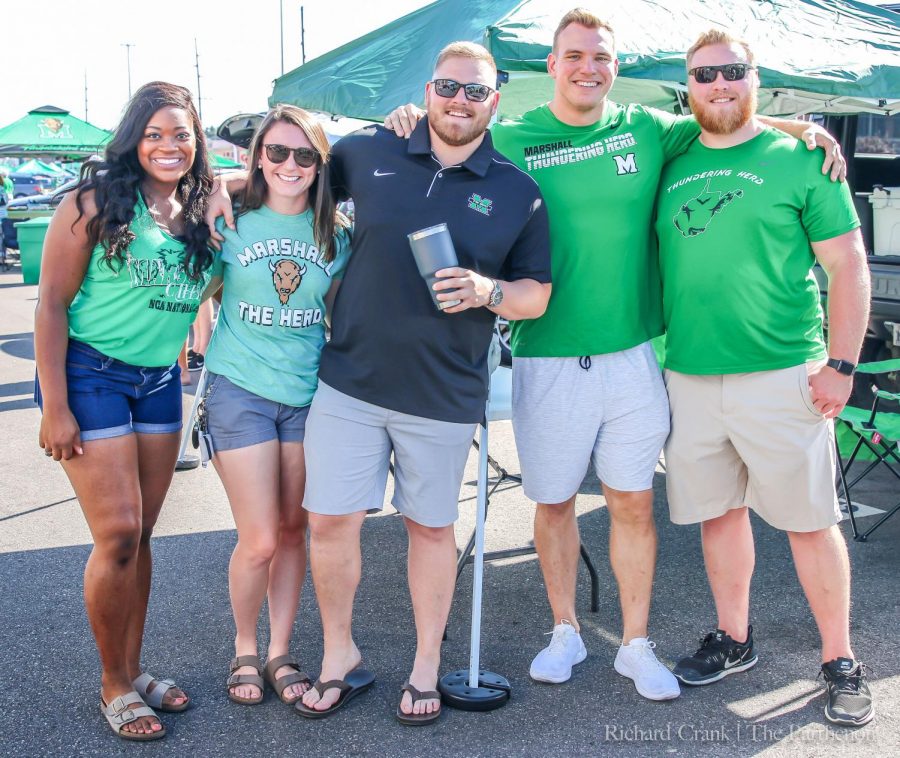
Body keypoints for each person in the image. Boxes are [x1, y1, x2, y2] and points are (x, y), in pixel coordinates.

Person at [385, 8, 846, 701]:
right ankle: (565, 630)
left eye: (600, 57)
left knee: (633, 502)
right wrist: (404, 120)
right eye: (574, 56)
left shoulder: (646, 128)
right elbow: (448, 133)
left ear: (615, 67)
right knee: (554, 501)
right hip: (545, 354)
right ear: (552, 66)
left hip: (634, 356)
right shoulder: (509, 135)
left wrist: (801, 129)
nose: (587, 68)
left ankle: (635, 643)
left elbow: (728, 118)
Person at [210, 41, 551, 724]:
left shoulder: (518, 190)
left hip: (443, 394)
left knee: (430, 529)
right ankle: (340, 657)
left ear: (495, 100)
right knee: (330, 522)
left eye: (475, 91)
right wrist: (224, 185)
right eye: (448, 87)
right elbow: (289, 175)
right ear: (428, 90)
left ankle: (426, 666)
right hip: (348, 384)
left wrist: (489, 291)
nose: (459, 101)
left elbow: (535, 296)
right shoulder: (367, 152)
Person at [655, 29, 873, 727]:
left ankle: (839, 658)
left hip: (784, 373)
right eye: (704, 75)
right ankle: (735, 638)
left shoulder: (801, 160)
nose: (719, 84)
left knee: (810, 523)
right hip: (690, 373)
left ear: (757, 76)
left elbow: (848, 267)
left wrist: (842, 366)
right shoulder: (673, 149)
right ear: (686, 86)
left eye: (733, 73)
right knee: (719, 515)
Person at [33, 82, 213, 741]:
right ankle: (113, 684)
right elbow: (50, 304)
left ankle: (134, 670)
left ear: (198, 142)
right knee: (117, 533)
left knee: (141, 537)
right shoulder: (92, 204)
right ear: (134, 138)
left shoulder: (199, 212)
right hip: (90, 375)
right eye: (156, 133)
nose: (170, 145)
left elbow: (284, 170)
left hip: (160, 382)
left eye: (183, 134)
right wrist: (56, 406)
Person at [202, 105, 350, 708]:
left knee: (295, 531)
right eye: (278, 152)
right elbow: (193, 291)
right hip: (240, 390)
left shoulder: (336, 237)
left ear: (319, 165)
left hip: (308, 396)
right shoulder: (230, 223)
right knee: (259, 537)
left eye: (304, 155)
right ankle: (243, 645)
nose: (290, 165)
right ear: (258, 156)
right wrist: (218, 184)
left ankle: (279, 651)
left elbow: (342, 314)